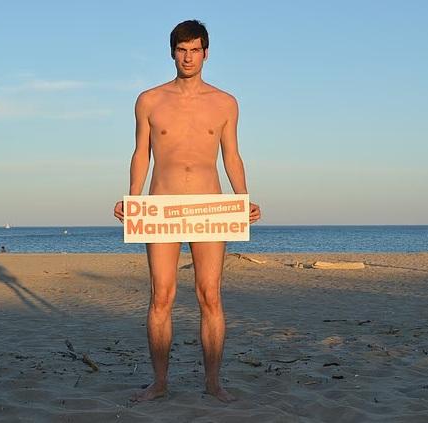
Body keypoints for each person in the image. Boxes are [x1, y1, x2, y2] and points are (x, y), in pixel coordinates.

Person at [114, 19, 260, 403]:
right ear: (172, 53)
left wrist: (242, 199)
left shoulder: (225, 103)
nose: (188, 57)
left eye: (195, 50)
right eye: (182, 50)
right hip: (161, 206)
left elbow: (232, 155)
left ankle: (213, 382)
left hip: (210, 206)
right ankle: (159, 383)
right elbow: (141, 154)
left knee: (210, 295)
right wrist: (132, 198)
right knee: (161, 296)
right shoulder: (149, 100)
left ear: (206, 53)